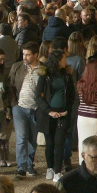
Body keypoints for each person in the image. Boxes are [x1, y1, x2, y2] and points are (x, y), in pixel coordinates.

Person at [35, 50, 75, 182]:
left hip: (62, 113)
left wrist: (67, 110)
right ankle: (50, 168)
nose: (65, 61)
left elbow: (71, 95)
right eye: (63, 59)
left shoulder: (67, 75)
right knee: (50, 142)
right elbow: (38, 95)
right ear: (57, 61)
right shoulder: (45, 75)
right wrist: (49, 111)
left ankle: (58, 171)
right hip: (48, 114)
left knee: (60, 142)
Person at [6, 42, 42, 178]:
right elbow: (10, 86)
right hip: (19, 108)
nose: (25, 57)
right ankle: (21, 167)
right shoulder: (17, 67)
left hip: (36, 108)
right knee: (21, 138)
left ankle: (29, 164)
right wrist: (13, 104)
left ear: (35, 55)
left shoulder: (43, 69)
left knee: (32, 138)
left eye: (28, 55)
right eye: (23, 54)